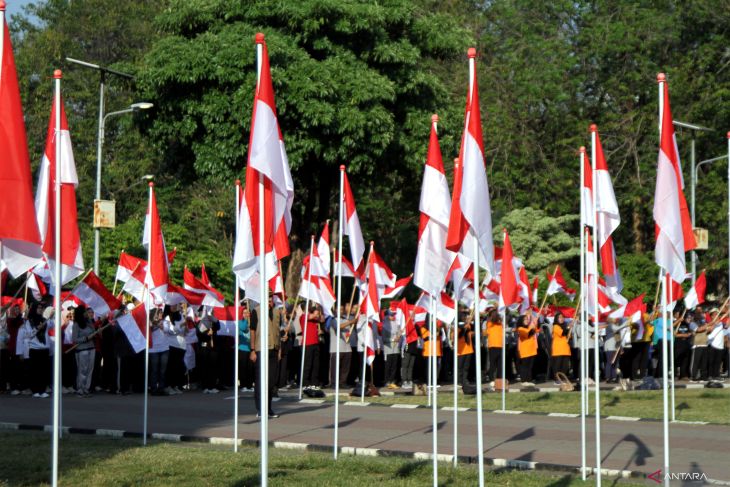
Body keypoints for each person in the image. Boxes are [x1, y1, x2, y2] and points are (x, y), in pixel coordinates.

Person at [250, 295, 283, 418]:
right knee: (260, 381)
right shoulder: (256, 311)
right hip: (260, 349)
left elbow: (277, 331)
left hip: (274, 350)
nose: (269, 300)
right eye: (267, 298)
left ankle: (268, 408)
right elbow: (252, 331)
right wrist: (252, 349)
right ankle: (260, 409)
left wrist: (279, 349)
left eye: (271, 298)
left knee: (271, 381)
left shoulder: (277, 312)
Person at [19, 304, 50, 398]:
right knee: (35, 371)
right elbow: (28, 335)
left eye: (42, 308)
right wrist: (37, 328)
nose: (40, 310)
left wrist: (54, 314)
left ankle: (42, 390)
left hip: (44, 348)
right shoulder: (29, 322)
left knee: (43, 371)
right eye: (39, 308)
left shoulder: (45, 320)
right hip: (35, 348)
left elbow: (53, 324)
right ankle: (35, 390)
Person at [329, 303, 356, 389]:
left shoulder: (346, 319)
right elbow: (338, 327)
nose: (340, 311)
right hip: (336, 347)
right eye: (339, 309)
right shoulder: (333, 320)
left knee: (345, 367)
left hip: (347, 347)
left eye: (342, 309)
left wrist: (351, 324)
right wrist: (350, 322)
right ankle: (334, 383)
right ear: (335, 310)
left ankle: (342, 382)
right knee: (335, 367)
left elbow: (349, 330)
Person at [71, 305, 96, 397]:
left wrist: (93, 330)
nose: (87, 313)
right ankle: (80, 389)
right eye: (85, 311)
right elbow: (74, 339)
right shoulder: (76, 324)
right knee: (82, 370)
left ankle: (86, 388)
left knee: (90, 370)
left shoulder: (89, 322)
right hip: (82, 350)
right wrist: (85, 338)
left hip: (91, 348)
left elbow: (93, 331)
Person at [163, 305, 186, 395]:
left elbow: (184, 330)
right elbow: (170, 331)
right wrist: (180, 326)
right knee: (171, 366)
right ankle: (168, 386)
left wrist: (180, 327)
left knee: (178, 367)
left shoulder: (180, 316)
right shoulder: (167, 317)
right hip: (171, 344)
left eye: (175, 305)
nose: (174, 307)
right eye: (172, 305)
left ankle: (175, 385)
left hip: (181, 345)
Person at [148, 307, 171, 395]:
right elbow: (149, 330)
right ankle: (153, 388)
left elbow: (167, 330)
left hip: (164, 348)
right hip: (153, 349)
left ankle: (161, 388)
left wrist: (160, 325)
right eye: (159, 313)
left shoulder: (165, 321)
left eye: (161, 312)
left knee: (162, 370)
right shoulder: (150, 322)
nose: (160, 314)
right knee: (154, 370)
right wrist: (154, 324)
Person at [300, 304, 323, 390]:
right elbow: (311, 316)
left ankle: (314, 383)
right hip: (307, 344)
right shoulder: (303, 316)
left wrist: (319, 310)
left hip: (315, 343)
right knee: (307, 364)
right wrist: (316, 312)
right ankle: (305, 383)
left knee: (315, 364)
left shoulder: (315, 319)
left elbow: (322, 319)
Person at [381, 308, 401, 389]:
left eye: (393, 315)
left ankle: (392, 381)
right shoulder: (385, 326)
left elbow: (399, 334)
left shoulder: (396, 324)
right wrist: (393, 339)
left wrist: (399, 334)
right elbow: (384, 339)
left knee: (394, 365)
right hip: (388, 348)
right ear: (387, 316)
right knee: (388, 365)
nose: (393, 316)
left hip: (395, 348)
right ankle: (386, 381)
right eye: (391, 315)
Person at [516, 314, 538, 386]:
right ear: (521, 321)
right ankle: (524, 380)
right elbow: (528, 334)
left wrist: (535, 323)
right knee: (525, 366)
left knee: (530, 366)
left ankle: (529, 380)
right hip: (525, 351)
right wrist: (531, 327)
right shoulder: (520, 329)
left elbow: (536, 330)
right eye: (525, 319)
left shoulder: (529, 327)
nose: (527, 320)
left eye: (527, 319)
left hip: (532, 350)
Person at [551, 312, 572, 383]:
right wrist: (568, 327)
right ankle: (557, 379)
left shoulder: (565, 326)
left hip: (565, 349)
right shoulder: (555, 326)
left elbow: (569, 336)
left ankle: (563, 379)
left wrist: (569, 329)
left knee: (565, 366)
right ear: (556, 319)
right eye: (560, 317)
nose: (562, 319)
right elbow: (562, 333)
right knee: (557, 366)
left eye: (563, 317)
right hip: (558, 350)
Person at [237, 307, 254, 392]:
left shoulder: (251, 322)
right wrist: (246, 319)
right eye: (244, 312)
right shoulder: (241, 322)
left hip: (250, 348)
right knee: (243, 368)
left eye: (247, 312)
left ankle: (249, 385)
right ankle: (243, 385)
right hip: (242, 348)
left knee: (249, 368)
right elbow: (243, 328)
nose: (246, 314)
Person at [456, 310, 474, 387]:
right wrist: (464, 327)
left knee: (466, 367)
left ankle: (464, 380)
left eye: (465, 316)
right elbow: (458, 335)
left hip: (469, 349)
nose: (465, 317)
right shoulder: (458, 325)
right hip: (461, 350)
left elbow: (471, 330)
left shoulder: (468, 324)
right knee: (460, 367)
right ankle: (459, 381)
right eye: (463, 316)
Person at [486, 310, 503, 386]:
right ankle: (491, 379)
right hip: (492, 346)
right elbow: (493, 319)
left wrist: (500, 318)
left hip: (500, 346)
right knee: (492, 364)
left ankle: (499, 379)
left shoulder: (500, 324)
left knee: (500, 364)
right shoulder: (489, 323)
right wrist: (494, 316)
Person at [674, 313, 693, 380]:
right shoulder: (676, 323)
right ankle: (675, 375)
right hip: (678, 344)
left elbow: (690, 332)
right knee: (676, 360)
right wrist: (683, 335)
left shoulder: (687, 324)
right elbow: (674, 334)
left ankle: (683, 375)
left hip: (686, 344)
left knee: (685, 360)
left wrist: (690, 334)